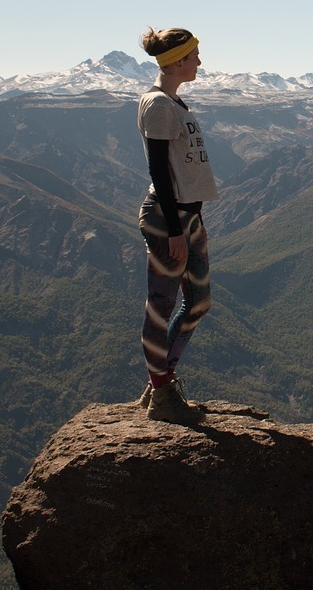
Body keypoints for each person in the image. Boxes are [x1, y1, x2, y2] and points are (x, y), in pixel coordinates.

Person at [135, 27, 218, 424]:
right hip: (170, 219)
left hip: (188, 216)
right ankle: (162, 392)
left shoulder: (173, 102)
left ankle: (160, 381)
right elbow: (157, 169)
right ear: (178, 61)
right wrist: (172, 229)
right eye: (195, 56)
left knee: (199, 302)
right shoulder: (159, 105)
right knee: (161, 307)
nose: (199, 63)